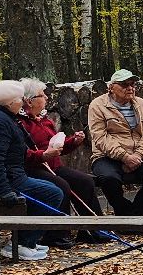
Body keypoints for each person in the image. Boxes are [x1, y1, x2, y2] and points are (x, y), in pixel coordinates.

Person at [0, 79, 65, 261]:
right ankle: (22, 243)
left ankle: (27, 240)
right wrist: (3, 190)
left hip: (2, 177)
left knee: (50, 189)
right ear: (9, 103)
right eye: (20, 100)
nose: (23, 103)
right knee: (52, 193)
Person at [19, 79, 107, 245]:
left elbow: (56, 147)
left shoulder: (44, 120)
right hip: (33, 168)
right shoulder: (21, 123)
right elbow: (23, 153)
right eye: (42, 95)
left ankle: (93, 230)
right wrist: (44, 155)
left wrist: (73, 141)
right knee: (61, 186)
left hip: (54, 166)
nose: (46, 97)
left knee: (84, 181)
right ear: (29, 101)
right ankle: (57, 234)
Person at [86, 69, 143, 216]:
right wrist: (124, 157)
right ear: (111, 88)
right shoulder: (97, 106)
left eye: (132, 84)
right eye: (124, 85)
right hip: (106, 156)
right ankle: (126, 213)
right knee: (108, 179)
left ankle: (137, 215)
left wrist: (138, 155)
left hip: (138, 155)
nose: (130, 88)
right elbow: (100, 137)